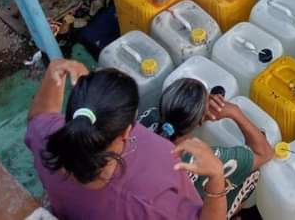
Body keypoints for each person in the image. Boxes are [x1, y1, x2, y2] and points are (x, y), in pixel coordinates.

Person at [26, 60, 228, 220]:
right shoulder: (150, 201)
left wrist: (55, 68)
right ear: (126, 132)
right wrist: (217, 177)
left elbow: (38, 118)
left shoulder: (49, 142)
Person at [157, 79, 273, 218]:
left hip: (160, 205)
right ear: (201, 120)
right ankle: (233, 212)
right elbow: (264, 153)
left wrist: (196, 117)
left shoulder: (147, 121)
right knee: (252, 172)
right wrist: (235, 112)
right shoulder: (204, 158)